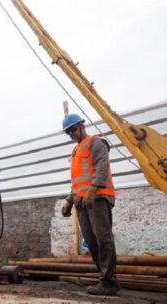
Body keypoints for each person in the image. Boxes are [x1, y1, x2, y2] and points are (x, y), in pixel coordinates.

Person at [61, 114, 120, 296]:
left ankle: (109, 281)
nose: (71, 133)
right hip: (81, 202)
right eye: (68, 131)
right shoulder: (75, 151)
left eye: (73, 129)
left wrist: (93, 191)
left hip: (98, 198)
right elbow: (77, 181)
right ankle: (103, 278)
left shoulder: (95, 143)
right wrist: (70, 201)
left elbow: (101, 166)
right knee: (92, 242)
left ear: (81, 125)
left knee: (103, 238)